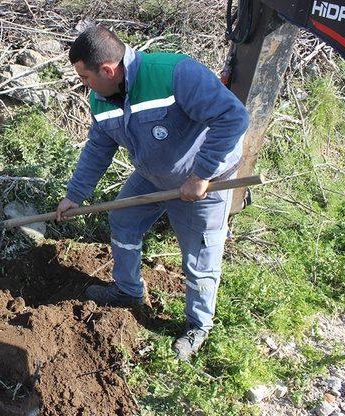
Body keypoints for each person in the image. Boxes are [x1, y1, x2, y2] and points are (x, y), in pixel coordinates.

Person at [55, 25, 249, 361]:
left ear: (107, 69)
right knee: (124, 219)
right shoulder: (100, 98)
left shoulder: (174, 74)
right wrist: (76, 194)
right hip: (152, 175)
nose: (84, 85)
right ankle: (129, 291)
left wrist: (201, 175)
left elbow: (233, 117)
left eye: (86, 77)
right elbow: (98, 148)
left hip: (203, 182)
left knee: (199, 255)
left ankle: (198, 325)